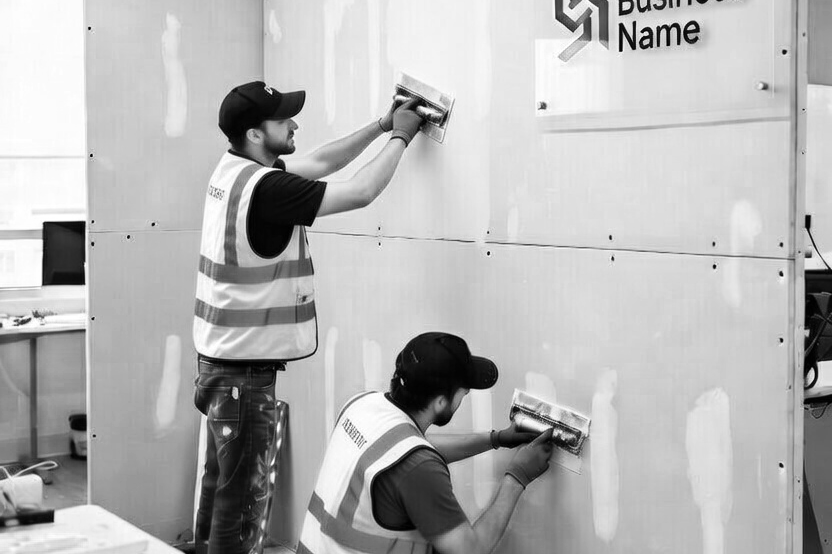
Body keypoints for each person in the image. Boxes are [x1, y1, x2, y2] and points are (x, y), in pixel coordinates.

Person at [191, 81, 425, 554]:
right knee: (238, 516)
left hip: (219, 369)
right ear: (257, 134)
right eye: (284, 120)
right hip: (243, 382)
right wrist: (401, 138)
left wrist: (382, 125)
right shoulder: (268, 190)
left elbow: (319, 162)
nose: (295, 123)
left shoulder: (234, 168)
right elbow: (359, 192)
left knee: (221, 497)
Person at [298, 332, 555, 554]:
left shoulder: (363, 405)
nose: (466, 393)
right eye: (463, 391)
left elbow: (408, 451)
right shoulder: (417, 468)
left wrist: (495, 439)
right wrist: (517, 477)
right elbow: (471, 549)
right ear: (441, 402)